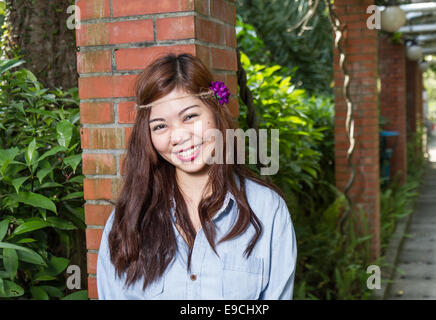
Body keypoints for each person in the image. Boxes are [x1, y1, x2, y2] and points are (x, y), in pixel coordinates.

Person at [96, 53, 297, 300]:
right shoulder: (128, 219)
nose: (178, 136)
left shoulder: (267, 210)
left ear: (214, 111)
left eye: (190, 116)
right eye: (160, 126)